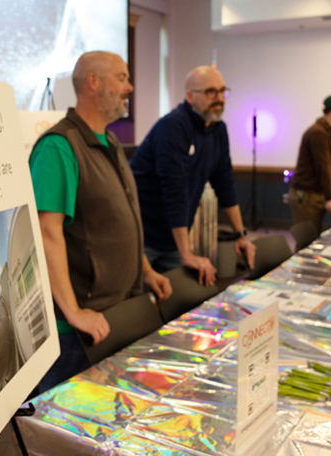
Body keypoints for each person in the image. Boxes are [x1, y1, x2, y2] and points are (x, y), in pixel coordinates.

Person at [29, 51, 172, 393]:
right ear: (93, 82)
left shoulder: (109, 141)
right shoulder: (58, 147)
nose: (131, 86)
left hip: (115, 318)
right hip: (76, 335)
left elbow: (119, 223)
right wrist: (75, 311)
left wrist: (146, 270)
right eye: (122, 78)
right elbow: (46, 234)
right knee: (63, 439)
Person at [130, 66, 256, 286]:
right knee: (142, 306)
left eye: (221, 91)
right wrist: (187, 254)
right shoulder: (173, 126)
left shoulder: (218, 129)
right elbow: (175, 191)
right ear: (190, 96)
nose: (219, 98)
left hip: (173, 238)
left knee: (179, 304)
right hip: (142, 237)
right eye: (210, 92)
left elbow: (225, 184)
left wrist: (241, 235)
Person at [290, 94, 331, 233]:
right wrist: (330, 197)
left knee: (315, 237)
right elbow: (323, 167)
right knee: (307, 240)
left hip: (319, 194)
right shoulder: (318, 133)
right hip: (306, 195)